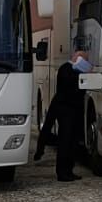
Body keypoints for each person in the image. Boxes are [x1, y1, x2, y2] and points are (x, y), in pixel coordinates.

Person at [34, 51, 90, 182]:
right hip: (64, 108)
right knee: (65, 140)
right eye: (84, 60)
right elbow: (69, 87)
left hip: (72, 109)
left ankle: (68, 170)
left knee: (72, 141)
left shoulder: (76, 70)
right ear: (77, 58)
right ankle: (62, 172)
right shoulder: (66, 68)